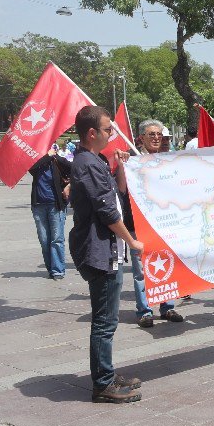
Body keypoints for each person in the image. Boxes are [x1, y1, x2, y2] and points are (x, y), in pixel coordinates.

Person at [68, 105, 143, 404]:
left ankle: (107, 373)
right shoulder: (86, 164)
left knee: (107, 319)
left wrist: (120, 165)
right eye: (108, 129)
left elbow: (119, 195)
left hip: (106, 250)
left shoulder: (95, 160)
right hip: (99, 252)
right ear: (92, 133)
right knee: (104, 322)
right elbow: (108, 211)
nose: (112, 133)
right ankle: (102, 384)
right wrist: (132, 242)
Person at [125, 119, 185, 329]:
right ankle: (145, 310)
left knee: (169, 265)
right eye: (152, 134)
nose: (157, 138)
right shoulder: (131, 159)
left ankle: (167, 306)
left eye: (159, 134)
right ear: (141, 138)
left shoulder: (167, 159)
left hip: (165, 224)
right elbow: (122, 190)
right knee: (142, 269)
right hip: (139, 224)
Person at [29, 144, 72, 280]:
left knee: (57, 239)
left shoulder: (56, 160)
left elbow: (74, 169)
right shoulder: (36, 162)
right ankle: (51, 268)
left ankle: (58, 270)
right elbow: (32, 169)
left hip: (55, 204)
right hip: (39, 205)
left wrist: (69, 187)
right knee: (44, 240)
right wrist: (46, 156)